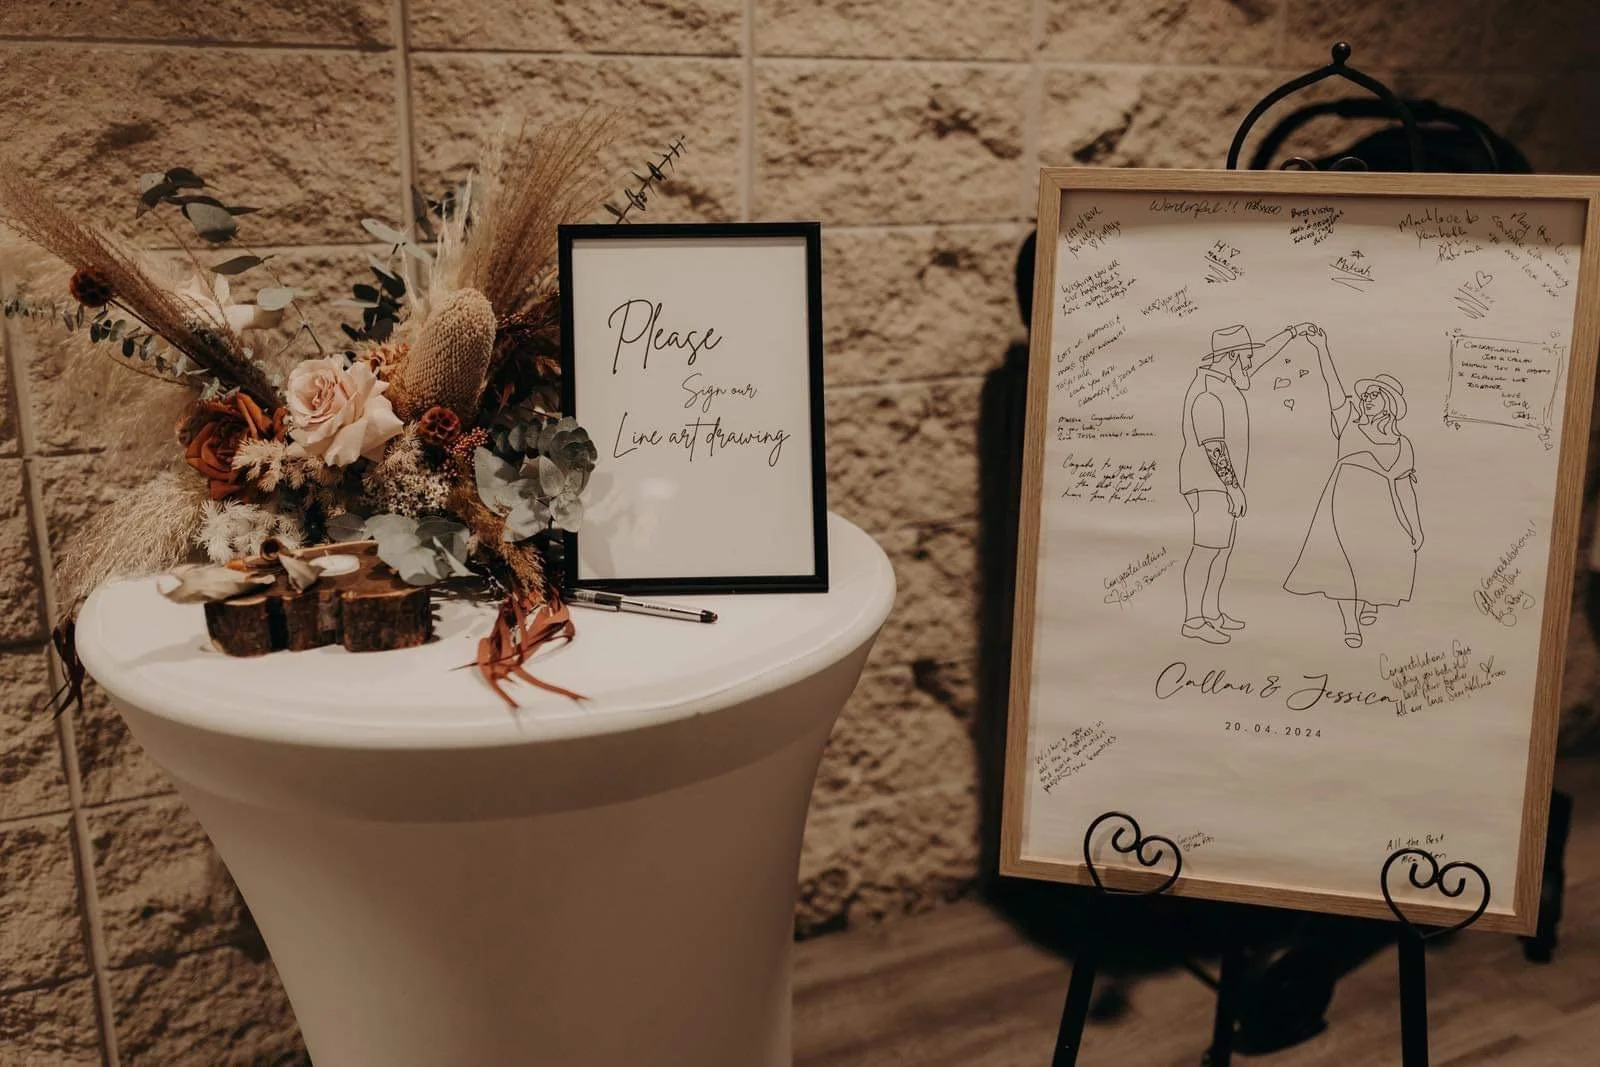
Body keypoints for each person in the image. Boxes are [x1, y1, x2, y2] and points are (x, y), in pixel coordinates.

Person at [1283, 324, 1422, 647]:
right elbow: (1334, 387)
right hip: (1341, 506)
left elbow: (1405, 487)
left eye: (1375, 395)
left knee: (1377, 557)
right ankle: (1350, 624)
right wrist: (1321, 348)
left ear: (1389, 403)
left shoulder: (1403, 443)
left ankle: (1372, 599)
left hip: (1382, 512)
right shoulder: (1348, 422)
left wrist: (1415, 527)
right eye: (1366, 395)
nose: (1367, 399)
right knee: (1341, 563)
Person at [1179, 323, 1304, 644]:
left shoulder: (1225, 380)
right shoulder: (1207, 392)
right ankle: (1194, 620)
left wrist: (1292, 332)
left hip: (1221, 485)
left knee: (1221, 550)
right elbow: (1213, 446)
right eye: (1246, 357)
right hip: (1210, 485)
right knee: (1206, 550)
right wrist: (1232, 488)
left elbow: (1263, 357)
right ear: (1232, 356)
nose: (1250, 364)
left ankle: (1211, 613)